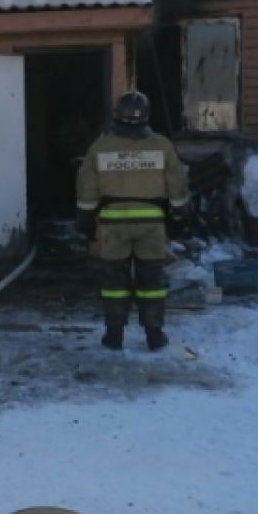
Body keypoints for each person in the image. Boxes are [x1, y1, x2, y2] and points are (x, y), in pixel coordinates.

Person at [75, 91, 189, 351]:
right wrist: (180, 213)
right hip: (151, 225)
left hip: (112, 226)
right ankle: (154, 335)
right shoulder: (162, 146)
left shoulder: (100, 147)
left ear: (117, 114)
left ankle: (114, 335)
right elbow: (177, 184)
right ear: (147, 116)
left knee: (114, 281)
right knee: (151, 280)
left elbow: (86, 188)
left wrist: (85, 219)